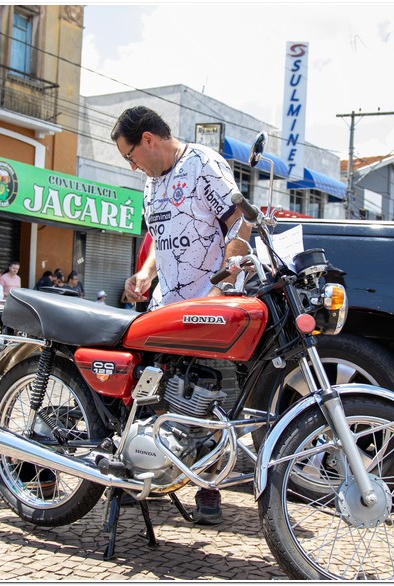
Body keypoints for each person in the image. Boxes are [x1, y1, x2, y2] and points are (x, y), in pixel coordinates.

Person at [114, 105, 250, 525]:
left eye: (130, 155)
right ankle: (155, 473)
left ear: (148, 140)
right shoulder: (151, 183)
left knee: (211, 401)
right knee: (154, 396)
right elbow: (161, 238)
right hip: (166, 311)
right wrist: (145, 274)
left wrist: (221, 289)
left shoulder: (203, 164)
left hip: (210, 309)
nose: (131, 165)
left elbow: (240, 223)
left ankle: (209, 487)